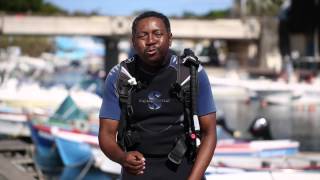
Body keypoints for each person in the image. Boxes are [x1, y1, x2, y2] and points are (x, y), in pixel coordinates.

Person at [99, 11, 217, 180]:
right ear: (133, 42)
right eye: (142, 36)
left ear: (170, 38)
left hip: (185, 170)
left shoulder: (191, 73)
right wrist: (122, 157)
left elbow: (209, 133)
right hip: (137, 173)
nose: (150, 41)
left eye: (157, 34)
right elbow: (106, 134)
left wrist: (195, 178)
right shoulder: (120, 76)